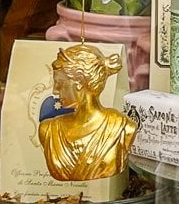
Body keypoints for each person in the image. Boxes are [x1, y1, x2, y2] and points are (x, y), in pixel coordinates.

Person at [37, 42, 136, 181]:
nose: (55, 91)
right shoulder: (47, 130)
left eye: (59, 83)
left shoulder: (123, 128)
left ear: (79, 83)